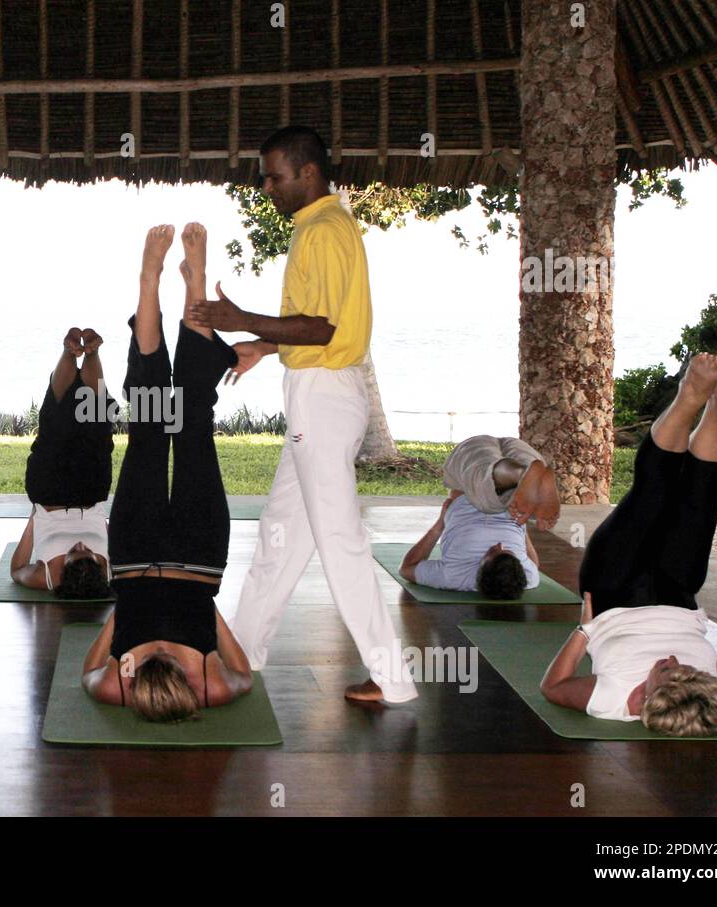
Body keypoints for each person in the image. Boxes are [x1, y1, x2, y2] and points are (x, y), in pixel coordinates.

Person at [186, 125, 416, 704]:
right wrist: (264, 347)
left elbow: (324, 329)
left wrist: (242, 319)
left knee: (340, 540)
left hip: (323, 397)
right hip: (316, 393)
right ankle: (243, 649)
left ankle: (393, 679)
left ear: (307, 173)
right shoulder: (319, 227)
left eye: (273, 175)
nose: (266, 186)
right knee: (281, 534)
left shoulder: (324, 231)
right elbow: (316, 324)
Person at [82, 223, 253, 721]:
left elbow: (243, 672)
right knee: (151, 417)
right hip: (134, 558)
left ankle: (193, 282)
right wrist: (126, 614)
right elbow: (91, 670)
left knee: (195, 419)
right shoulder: (116, 687)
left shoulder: (211, 690)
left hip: (199, 561)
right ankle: (150, 282)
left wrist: (202, 606)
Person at [540, 353, 717, 737]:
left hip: (613, 589)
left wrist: (584, 632)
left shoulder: (612, 700)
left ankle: (690, 395)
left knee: (653, 493)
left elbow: (552, 687)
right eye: (688, 668)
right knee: (701, 495)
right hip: (679, 592)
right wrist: (715, 664)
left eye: (666, 670)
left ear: (642, 700)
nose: (671, 658)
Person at [11, 328, 114, 598]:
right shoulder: (111, 572)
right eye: (88, 552)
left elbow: (16, 569)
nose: (80, 546)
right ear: (100, 570)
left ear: (61, 576)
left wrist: (34, 518)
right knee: (97, 417)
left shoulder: (46, 578)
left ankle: (70, 351)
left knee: (55, 421)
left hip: (49, 492)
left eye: (72, 553)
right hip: (92, 492)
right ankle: (92, 352)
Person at [400, 436, 561, 599]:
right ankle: (521, 478)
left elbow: (406, 568)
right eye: (508, 551)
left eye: (492, 551)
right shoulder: (452, 577)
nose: (499, 545)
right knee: (487, 493)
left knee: (490, 489)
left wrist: (439, 526)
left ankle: (523, 476)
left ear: (479, 572)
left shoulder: (455, 577)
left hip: (488, 481)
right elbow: (406, 570)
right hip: (477, 483)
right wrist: (521, 522)